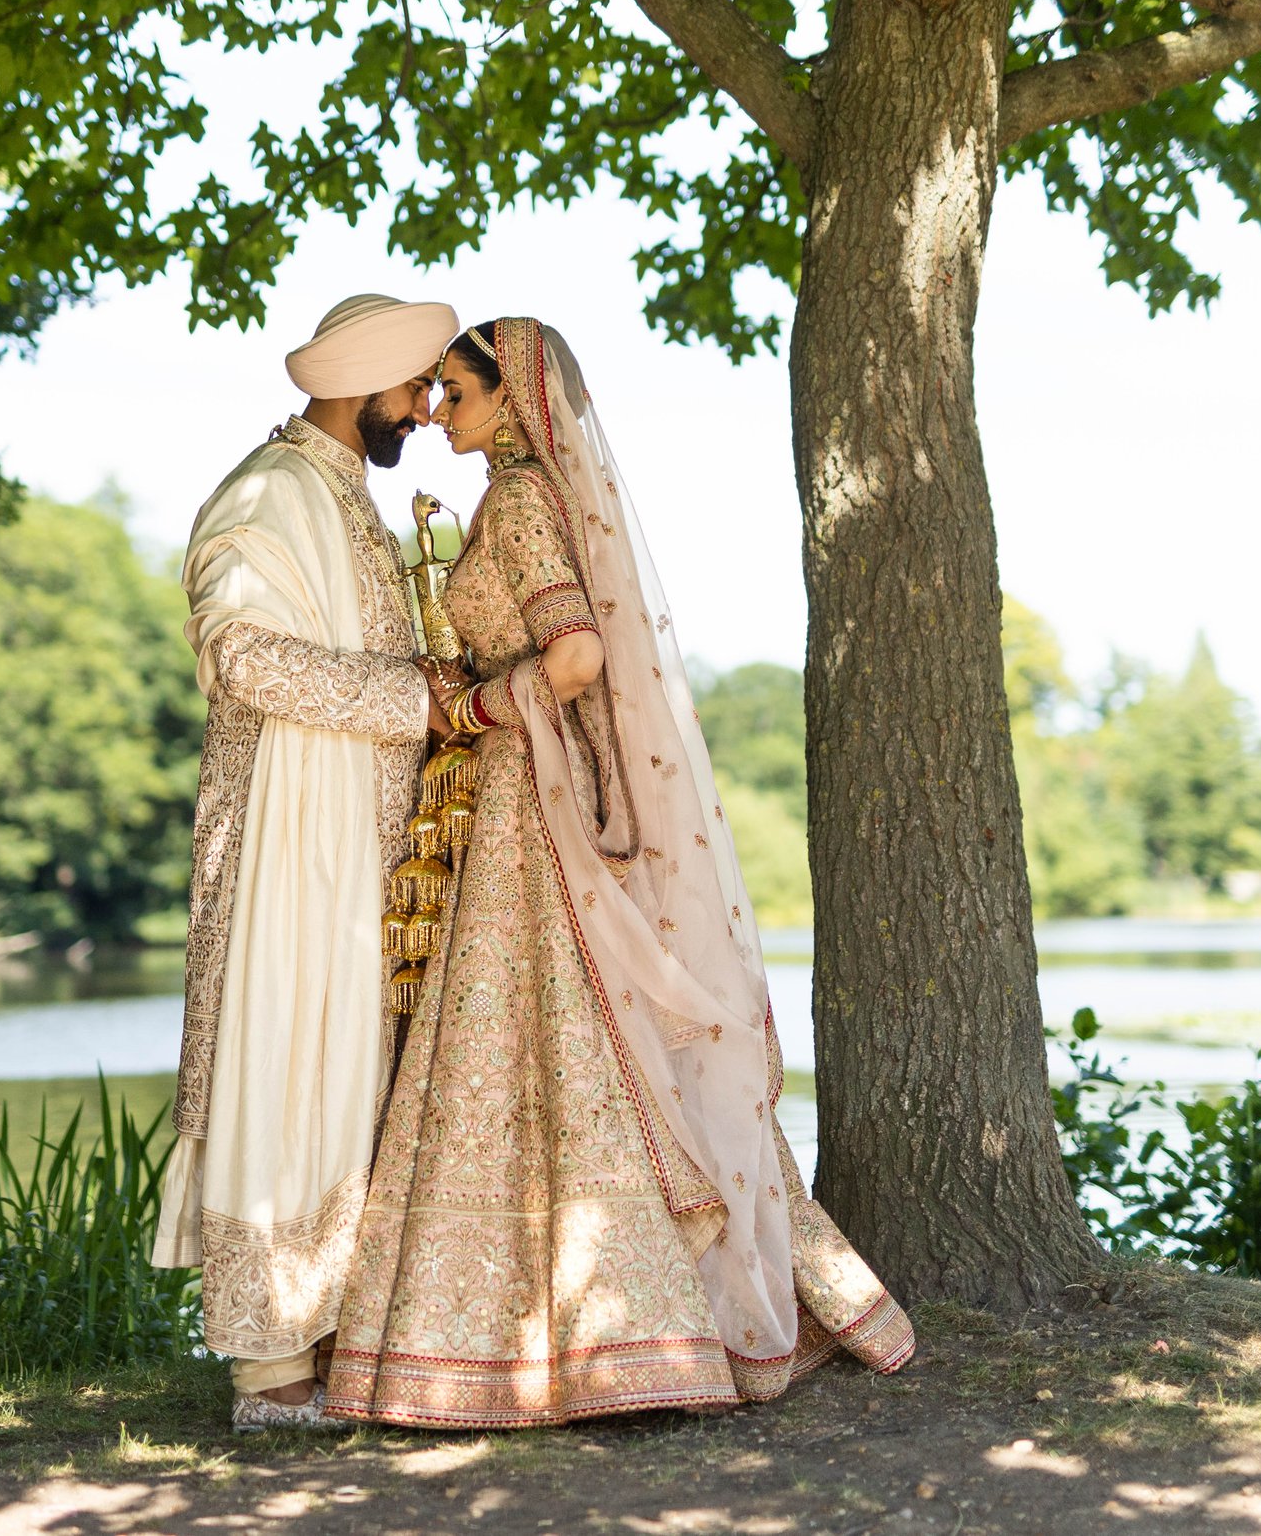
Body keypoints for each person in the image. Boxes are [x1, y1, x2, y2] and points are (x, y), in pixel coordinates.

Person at [326, 317, 916, 1429]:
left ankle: (587, 1333)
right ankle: (575, 1327)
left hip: (525, 793)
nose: (438, 410)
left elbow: (577, 654)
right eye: (438, 393)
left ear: (514, 399)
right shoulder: (511, 499)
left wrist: (477, 704)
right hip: (511, 792)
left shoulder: (523, 500)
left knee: (550, 1031)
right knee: (532, 1036)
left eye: (454, 391)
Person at [151, 292, 459, 1433]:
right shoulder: (269, 492)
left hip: (361, 831)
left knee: (346, 1070)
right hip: (291, 827)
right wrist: (419, 697)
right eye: (417, 385)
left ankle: (330, 1337)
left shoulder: (349, 496)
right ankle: (268, 1371)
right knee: (286, 1057)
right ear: (364, 377)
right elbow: (241, 657)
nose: (427, 410)